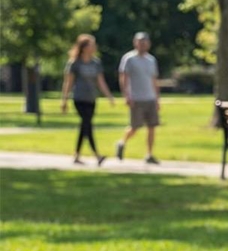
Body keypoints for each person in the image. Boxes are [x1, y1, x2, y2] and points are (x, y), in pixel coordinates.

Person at [60, 33, 114, 165]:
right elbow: (68, 82)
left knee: (85, 126)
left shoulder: (96, 63)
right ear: (84, 47)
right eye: (92, 45)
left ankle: (77, 155)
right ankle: (97, 155)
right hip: (79, 98)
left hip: (91, 99)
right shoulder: (74, 63)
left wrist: (109, 96)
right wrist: (64, 100)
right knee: (87, 124)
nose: (94, 47)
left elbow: (100, 81)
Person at [115, 32, 161, 164]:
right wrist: (126, 95)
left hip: (150, 97)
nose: (143, 44)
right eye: (140, 42)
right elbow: (123, 78)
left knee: (152, 127)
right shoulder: (129, 59)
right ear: (135, 43)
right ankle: (122, 142)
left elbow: (154, 80)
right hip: (136, 98)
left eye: (145, 42)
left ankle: (149, 154)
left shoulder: (151, 60)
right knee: (135, 126)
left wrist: (157, 98)